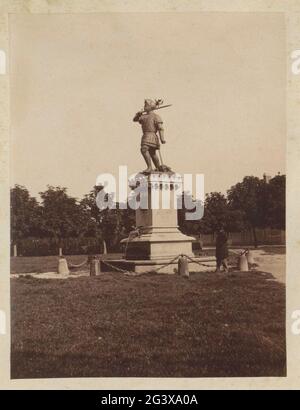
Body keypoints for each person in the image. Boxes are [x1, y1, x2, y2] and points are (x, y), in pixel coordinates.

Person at [133, 99, 166, 173]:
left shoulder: (156, 116)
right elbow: (134, 120)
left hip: (152, 134)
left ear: (150, 106)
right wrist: (138, 114)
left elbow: (160, 128)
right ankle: (157, 167)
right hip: (145, 135)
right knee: (152, 152)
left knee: (145, 149)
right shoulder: (144, 116)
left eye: (146, 105)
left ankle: (150, 167)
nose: (144, 107)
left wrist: (162, 138)